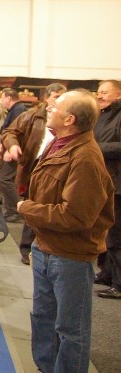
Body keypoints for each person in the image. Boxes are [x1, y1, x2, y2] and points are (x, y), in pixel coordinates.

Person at [16, 90, 114, 373]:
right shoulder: (60, 143)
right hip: (47, 247)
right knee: (44, 318)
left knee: (71, 329)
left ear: (69, 118)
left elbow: (75, 217)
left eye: (56, 106)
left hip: (69, 255)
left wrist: (26, 208)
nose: (49, 106)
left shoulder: (85, 158)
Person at [1, 83, 66, 265]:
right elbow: (10, 131)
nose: (58, 100)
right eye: (55, 96)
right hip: (36, 166)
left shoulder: (67, 117)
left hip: (60, 166)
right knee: (33, 207)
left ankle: (47, 250)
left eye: (62, 97)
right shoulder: (33, 115)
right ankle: (28, 249)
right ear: (47, 97)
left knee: (51, 209)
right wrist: (11, 145)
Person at [94, 79, 121, 298]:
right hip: (105, 180)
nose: (100, 95)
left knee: (116, 235)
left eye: (104, 92)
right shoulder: (103, 114)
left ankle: (119, 284)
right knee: (106, 232)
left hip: (118, 183)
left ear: (119, 94)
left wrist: (96, 148)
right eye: (98, 92)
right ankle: (107, 273)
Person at [0, 88, 31, 222]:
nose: (1, 101)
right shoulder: (16, 110)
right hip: (12, 148)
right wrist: (3, 147)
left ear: (9, 98)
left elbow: (17, 132)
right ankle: (13, 210)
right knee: (5, 179)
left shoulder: (18, 110)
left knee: (5, 179)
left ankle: (15, 211)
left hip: (15, 150)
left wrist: (10, 149)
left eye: (2, 98)